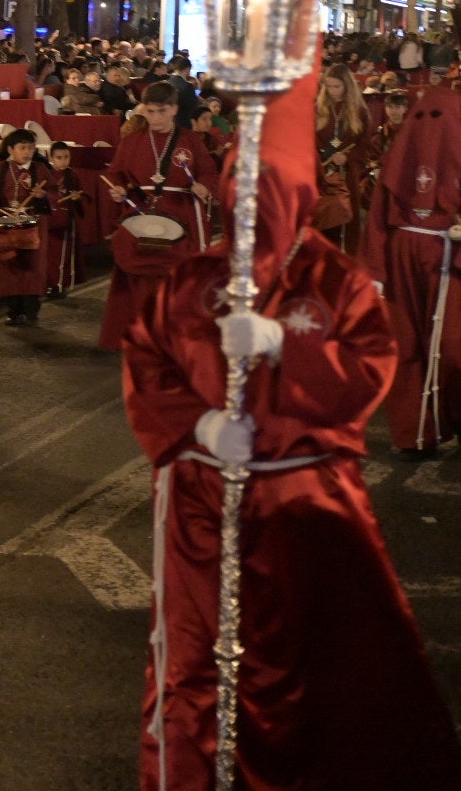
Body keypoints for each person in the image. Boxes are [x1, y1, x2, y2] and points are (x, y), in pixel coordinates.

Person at [122, 64, 461, 790]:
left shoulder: (337, 281)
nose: (254, 204)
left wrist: (287, 347)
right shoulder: (192, 279)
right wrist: (201, 426)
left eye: (269, 189)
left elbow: (370, 368)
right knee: (197, 657)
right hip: (201, 503)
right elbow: (146, 364)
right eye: (243, 188)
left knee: (314, 656)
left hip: (303, 496)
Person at [363, 86, 461, 459]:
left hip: (449, 256)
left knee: (451, 346)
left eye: (438, 118)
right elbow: (377, 219)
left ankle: (453, 416)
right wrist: (374, 269)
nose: (427, 126)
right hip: (402, 257)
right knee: (405, 344)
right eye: (421, 117)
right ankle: (415, 433)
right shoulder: (397, 157)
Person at [98, 81, 217, 351]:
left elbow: (210, 172)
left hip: (181, 215)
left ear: (174, 109)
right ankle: (140, 335)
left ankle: (177, 337)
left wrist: (204, 186)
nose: (155, 118)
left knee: (177, 278)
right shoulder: (132, 141)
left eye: (161, 111)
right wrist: (117, 189)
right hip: (141, 214)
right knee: (137, 277)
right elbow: (115, 173)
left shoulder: (191, 141)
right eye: (150, 111)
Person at [0, 128, 52, 326]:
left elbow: (53, 192)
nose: (27, 152)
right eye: (23, 148)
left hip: (32, 225)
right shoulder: (0, 168)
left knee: (32, 267)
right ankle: (14, 311)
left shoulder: (40, 169)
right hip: (7, 225)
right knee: (9, 267)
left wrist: (43, 195)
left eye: (31, 148)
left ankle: (31, 310)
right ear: (11, 149)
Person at [315, 63, 374, 253]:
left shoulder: (359, 111)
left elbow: (365, 146)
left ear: (347, 86)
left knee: (347, 220)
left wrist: (347, 156)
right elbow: (309, 140)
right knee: (324, 220)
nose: (332, 91)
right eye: (328, 86)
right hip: (322, 174)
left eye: (336, 86)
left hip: (346, 175)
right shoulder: (318, 108)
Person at [43, 141, 85, 298]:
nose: (63, 161)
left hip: (66, 220)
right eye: (59, 158)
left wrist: (76, 198)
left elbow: (79, 195)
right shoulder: (45, 175)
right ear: (51, 158)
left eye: (66, 157)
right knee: (49, 254)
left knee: (63, 254)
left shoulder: (72, 175)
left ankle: (59, 285)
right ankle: (47, 284)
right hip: (49, 220)